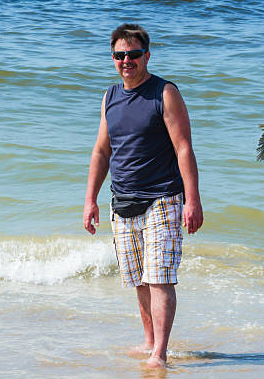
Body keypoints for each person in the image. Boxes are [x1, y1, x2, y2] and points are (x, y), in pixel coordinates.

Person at [83, 23, 203, 368]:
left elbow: (184, 149)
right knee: (137, 279)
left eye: (133, 54)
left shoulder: (164, 93)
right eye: (120, 55)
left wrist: (192, 200)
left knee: (159, 276)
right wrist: (90, 199)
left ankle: (159, 353)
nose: (126, 60)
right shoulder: (109, 97)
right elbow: (101, 152)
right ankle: (149, 341)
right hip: (122, 201)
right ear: (113, 58)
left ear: (146, 56)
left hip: (162, 197)